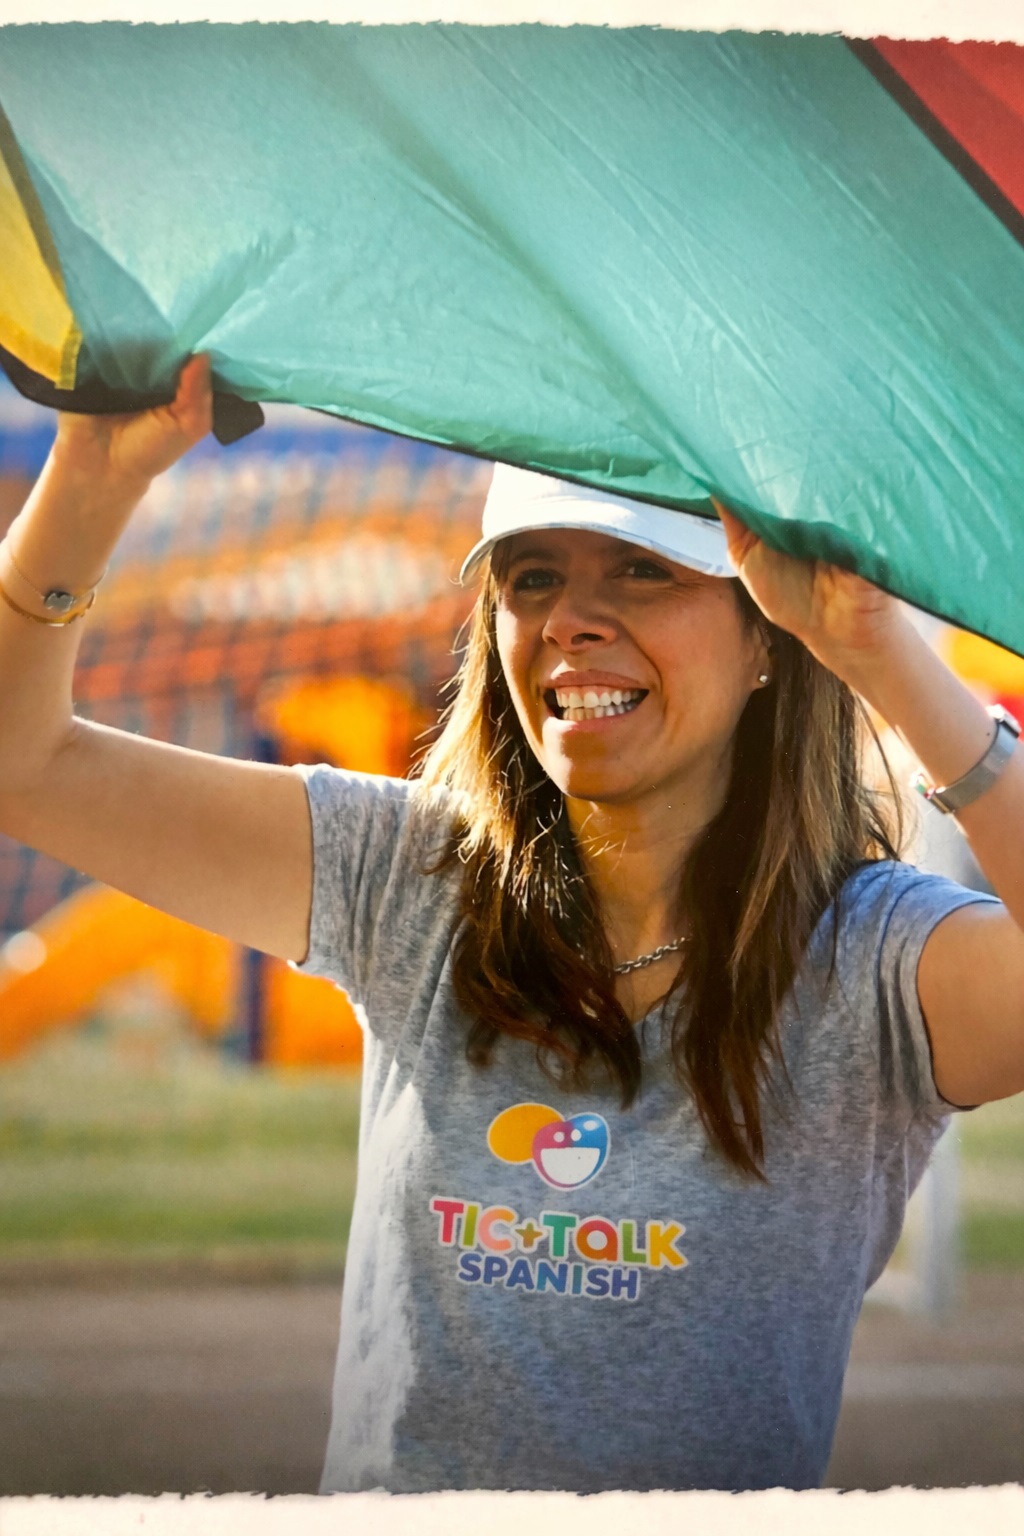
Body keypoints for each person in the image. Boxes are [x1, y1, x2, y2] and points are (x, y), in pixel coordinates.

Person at [0, 354, 1022, 1495]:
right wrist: (88, 479)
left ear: (767, 638)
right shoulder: (407, 876)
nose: (571, 620)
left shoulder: (871, 965)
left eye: (641, 571)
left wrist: (879, 652)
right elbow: (22, 762)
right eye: (531, 578)